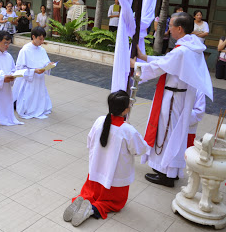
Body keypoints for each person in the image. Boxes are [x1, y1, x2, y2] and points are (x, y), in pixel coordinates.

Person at [131, 12, 213, 187]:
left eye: (171, 26)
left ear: (180, 28)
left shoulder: (183, 50)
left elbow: (160, 67)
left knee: (167, 132)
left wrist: (136, 66)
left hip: (173, 97)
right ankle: (171, 170)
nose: (169, 29)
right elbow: (167, 62)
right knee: (173, 132)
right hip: (179, 95)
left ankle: (165, 174)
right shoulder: (192, 46)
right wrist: (145, 58)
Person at [63, 91, 148, 227]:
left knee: (90, 193)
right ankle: (93, 209)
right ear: (126, 109)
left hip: (96, 172)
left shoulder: (100, 120)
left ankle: (83, 199)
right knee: (115, 203)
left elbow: (89, 141)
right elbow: (140, 149)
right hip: (114, 178)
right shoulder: (128, 130)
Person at [12, 27, 53, 119]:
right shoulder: (25, 50)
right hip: (29, 80)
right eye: (40, 39)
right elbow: (19, 69)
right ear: (33, 37)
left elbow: (45, 61)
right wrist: (33, 71)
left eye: (43, 39)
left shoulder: (41, 50)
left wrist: (49, 65)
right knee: (29, 101)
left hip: (39, 79)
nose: (42, 41)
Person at [0, 31, 24, 126]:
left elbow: (13, 70)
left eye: (9, 43)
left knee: (6, 110)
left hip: (6, 88)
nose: (7, 46)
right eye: (5, 43)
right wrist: (2, 79)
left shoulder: (8, 56)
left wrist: (13, 76)